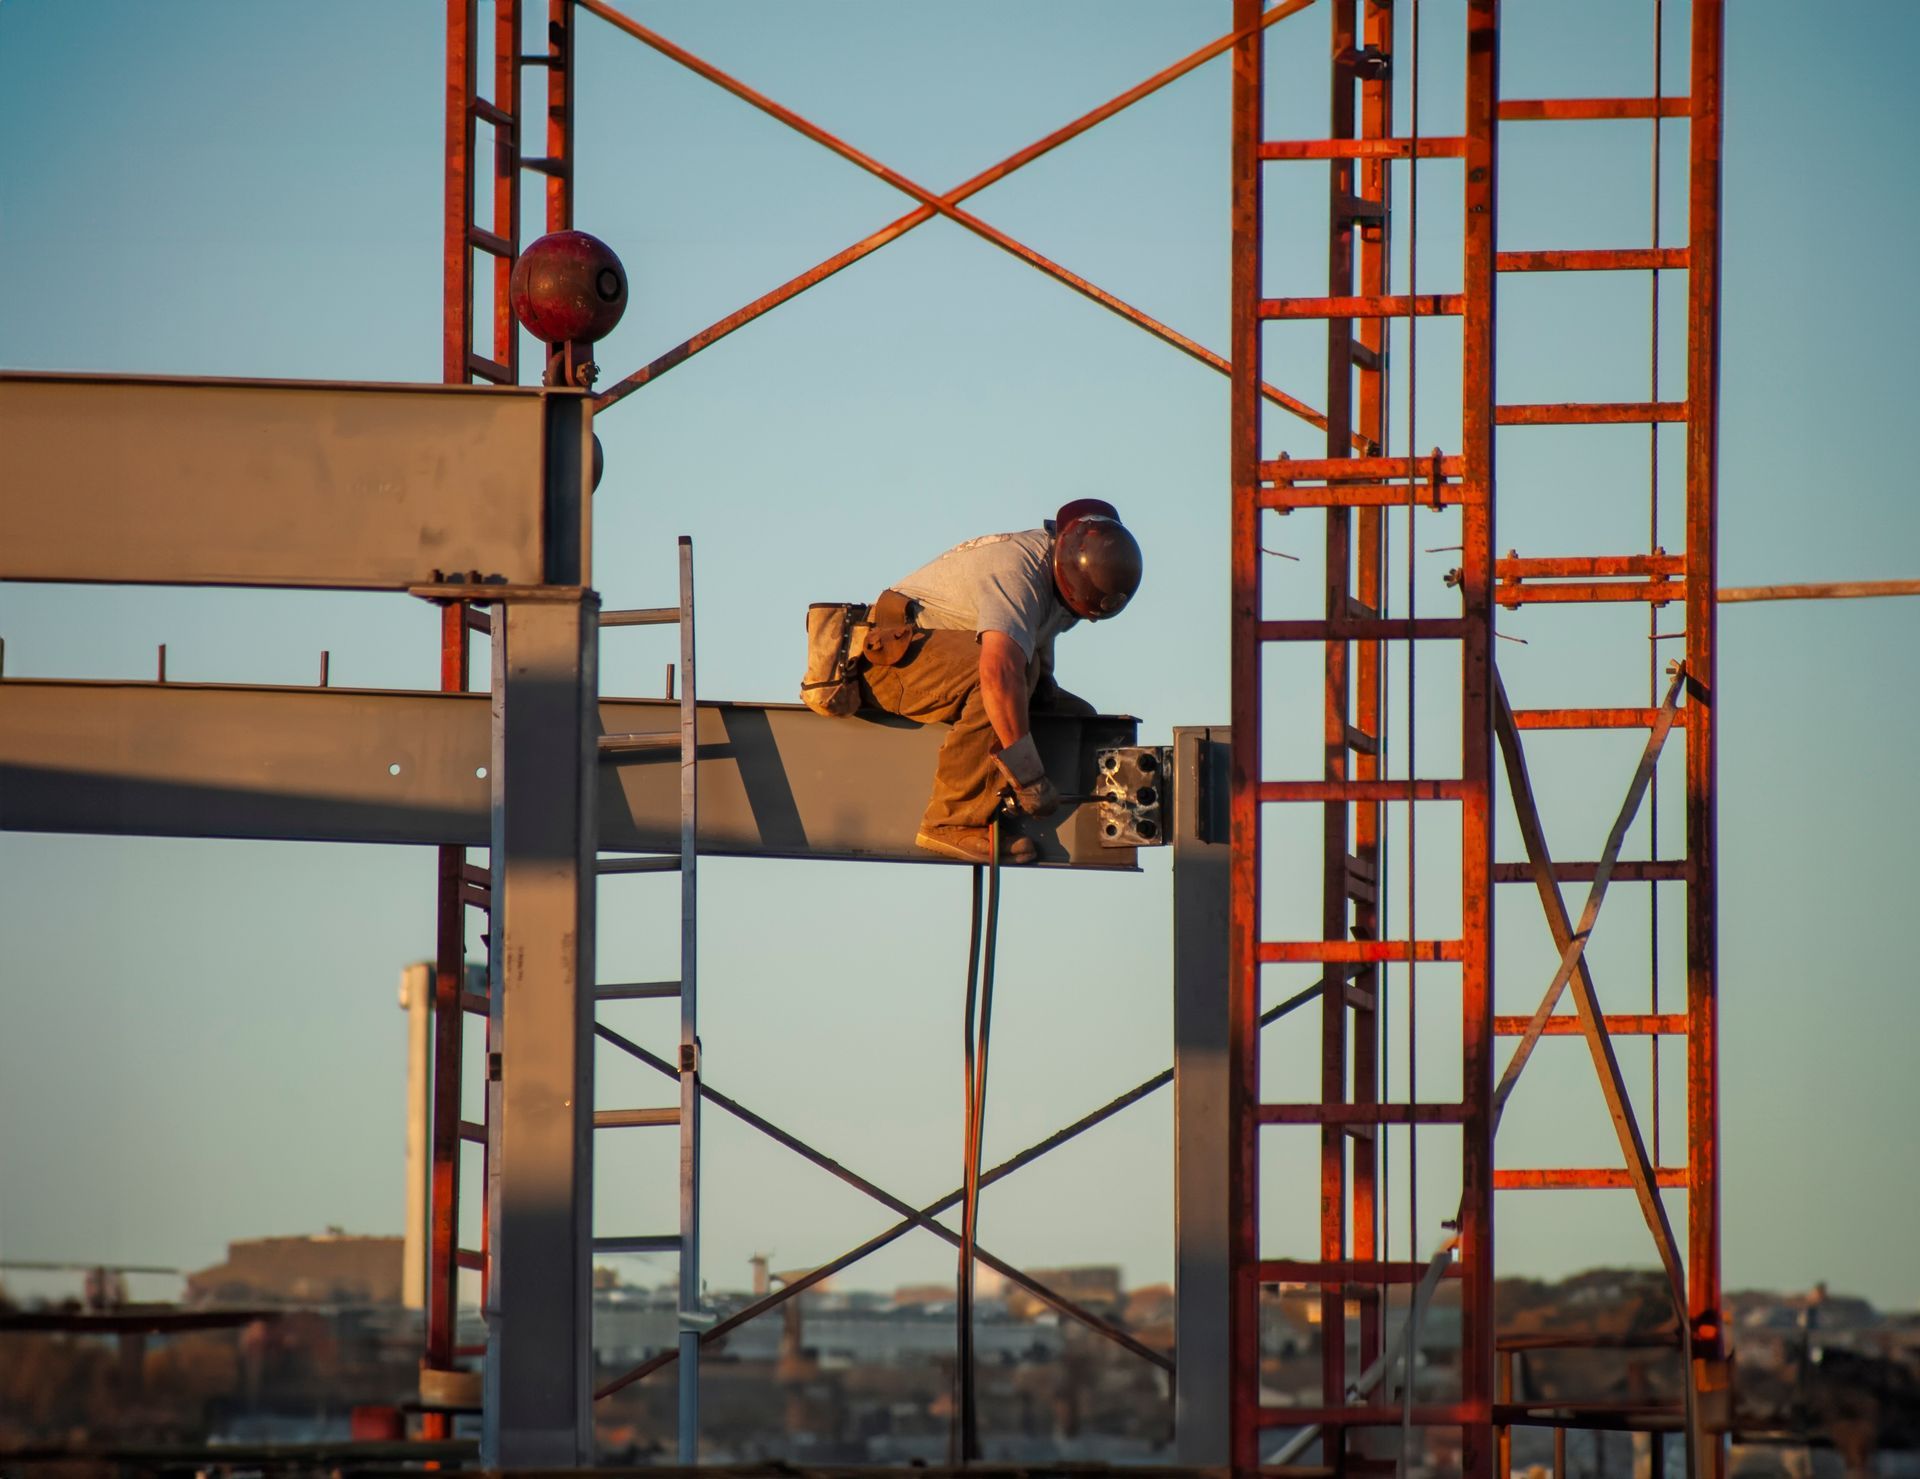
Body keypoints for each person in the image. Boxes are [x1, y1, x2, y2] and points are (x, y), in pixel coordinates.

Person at [857, 499, 1143, 864]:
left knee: (1077, 719)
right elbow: (998, 673)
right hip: (885, 664)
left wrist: (1044, 695)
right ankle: (951, 820)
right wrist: (1030, 777)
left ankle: (1007, 798)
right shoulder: (1019, 570)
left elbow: (1035, 644)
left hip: (939, 662)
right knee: (1007, 678)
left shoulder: (1072, 583)